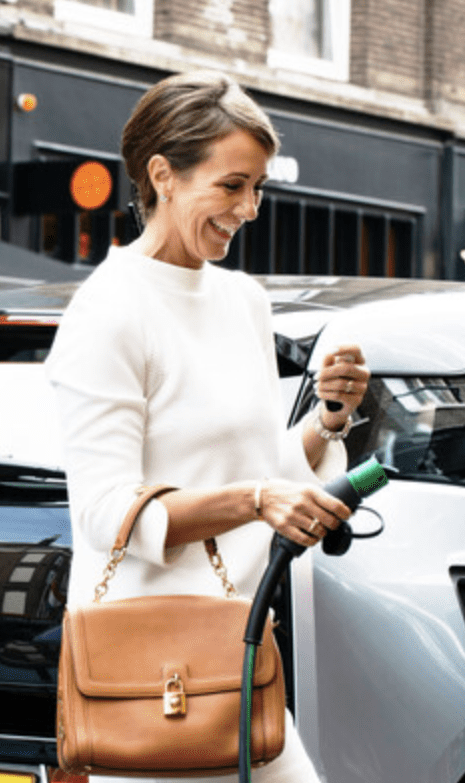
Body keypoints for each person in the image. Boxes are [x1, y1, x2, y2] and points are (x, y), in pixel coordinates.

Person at [45, 70, 372, 783]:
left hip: (237, 653)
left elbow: (258, 468)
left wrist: (328, 418)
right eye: (231, 186)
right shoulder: (108, 310)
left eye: (257, 188)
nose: (249, 209)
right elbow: (105, 511)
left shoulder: (242, 300)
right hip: (151, 678)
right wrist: (255, 500)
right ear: (163, 175)